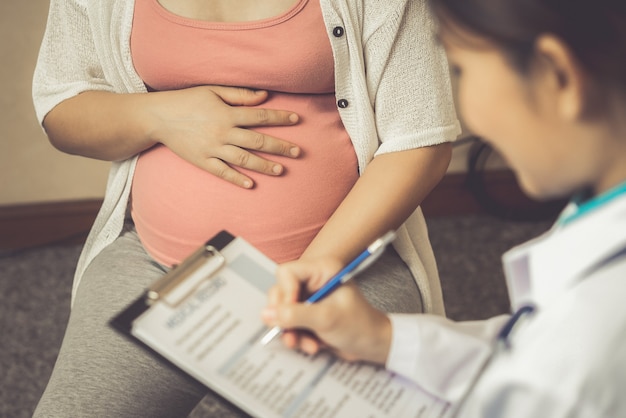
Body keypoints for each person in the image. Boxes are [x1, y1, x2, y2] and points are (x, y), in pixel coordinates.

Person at [32, 0, 460, 416]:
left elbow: (421, 138)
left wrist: (316, 268)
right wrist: (157, 116)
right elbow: (62, 106)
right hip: (153, 263)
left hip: (337, 276)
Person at [262, 0, 626, 416]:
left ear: (557, 76)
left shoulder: (589, 345)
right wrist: (384, 338)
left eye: (461, 70)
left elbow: (547, 376)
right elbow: (528, 352)